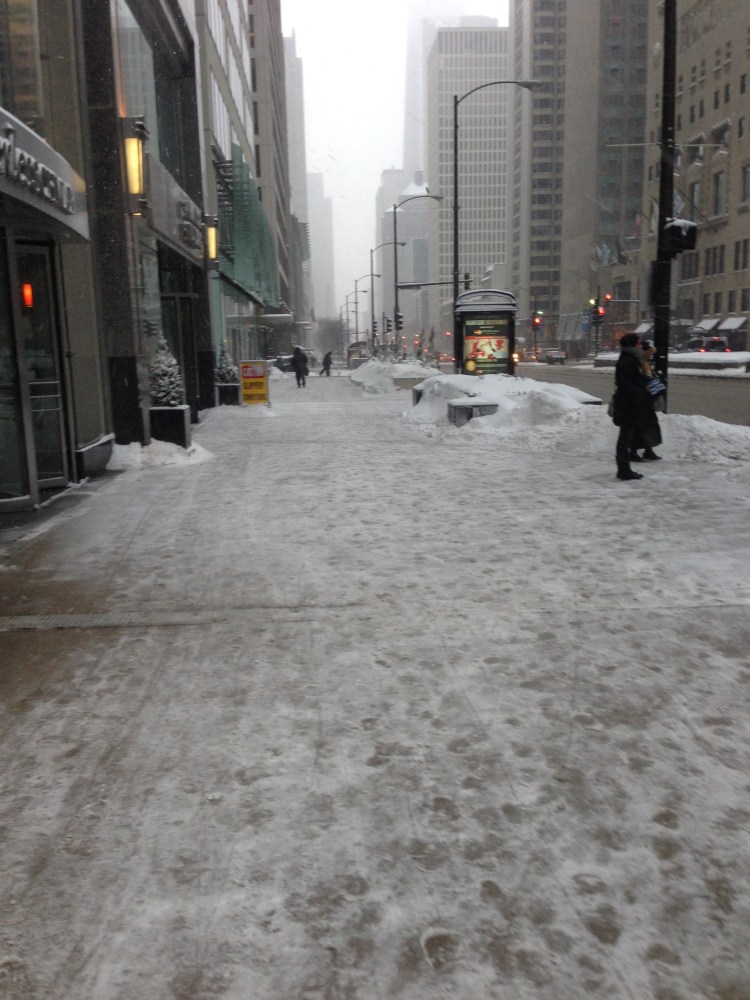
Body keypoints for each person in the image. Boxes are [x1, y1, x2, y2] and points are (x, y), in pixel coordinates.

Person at [611, 332, 653, 481]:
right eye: (639, 343)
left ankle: (624, 468)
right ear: (632, 345)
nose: (641, 345)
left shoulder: (632, 358)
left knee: (626, 437)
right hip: (628, 403)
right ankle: (623, 469)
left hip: (629, 402)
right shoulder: (629, 360)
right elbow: (626, 383)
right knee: (625, 438)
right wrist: (640, 390)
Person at [629, 339, 662, 462]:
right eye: (649, 352)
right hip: (639, 398)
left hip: (645, 399)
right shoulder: (638, 361)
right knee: (639, 426)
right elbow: (636, 379)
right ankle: (634, 450)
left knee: (649, 424)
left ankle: (648, 449)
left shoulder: (645, 361)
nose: (651, 354)